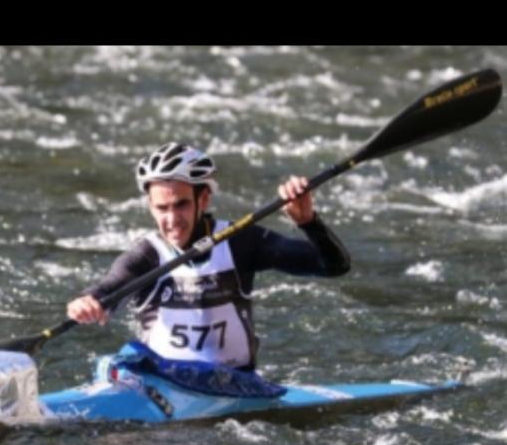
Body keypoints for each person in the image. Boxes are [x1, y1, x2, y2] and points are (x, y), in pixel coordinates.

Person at [67, 142, 350, 371]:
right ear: (150, 206)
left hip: (236, 387)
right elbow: (111, 286)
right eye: (161, 208)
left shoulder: (240, 242)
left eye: (181, 205)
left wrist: (308, 221)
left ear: (203, 199)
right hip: (162, 385)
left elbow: (334, 266)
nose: (171, 219)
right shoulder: (147, 255)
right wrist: (88, 301)